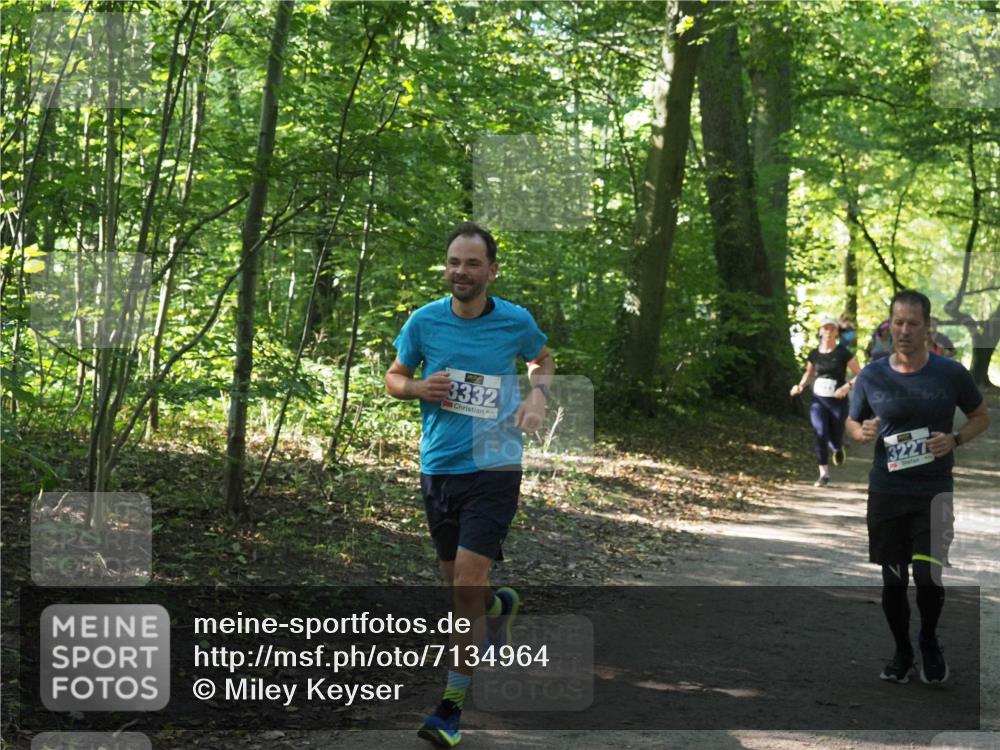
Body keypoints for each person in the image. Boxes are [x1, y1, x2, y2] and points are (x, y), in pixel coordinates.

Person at [385, 221, 554, 747]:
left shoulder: (515, 321)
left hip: (495, 466)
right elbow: (393, 377)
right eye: (454, 262)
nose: (461, 271)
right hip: (439, 468)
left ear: (491, 271)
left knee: (464, 584)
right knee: (458, 586)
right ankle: (498, 606)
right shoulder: (424, 321)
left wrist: (537, 396)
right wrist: (417, 387)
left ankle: (450, 709)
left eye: (472, 263)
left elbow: (542, 360)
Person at [846, 290, 989, 685]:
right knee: (893, 580)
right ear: (889, 326)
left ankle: (928, 639)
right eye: (898, 322)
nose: (904, 330)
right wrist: (861, 432)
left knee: (927, 576)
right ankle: (902, 652)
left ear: (928, 326)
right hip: (887, 491)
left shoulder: (950, 373)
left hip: (933, 489)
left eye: (913, 323)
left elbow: (980, 416)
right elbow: (852, 422)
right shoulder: (872, 376)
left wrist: (955, 439)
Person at [790, 317, 862, 487]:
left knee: (836, 432)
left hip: (838, 401)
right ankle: (823, 474)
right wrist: (800, 386)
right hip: (818, 400)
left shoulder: (843, 353)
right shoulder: (814, 354)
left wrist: (847, 387)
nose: (829, 331)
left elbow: (861, 374)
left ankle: (837, 447)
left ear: (837, 333)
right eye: (825, 328)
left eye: (832, 328)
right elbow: (808, 373)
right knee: (820, 433)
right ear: (820, 331)